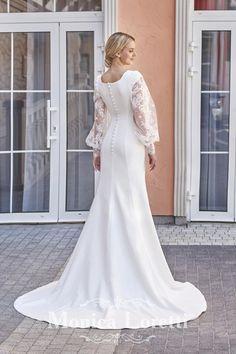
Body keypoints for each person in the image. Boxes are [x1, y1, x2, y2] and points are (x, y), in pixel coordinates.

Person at [14, 32, 207, 329]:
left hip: (111, 145)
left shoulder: (101, 80)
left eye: (134, 49)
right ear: (117, 52)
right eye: (129, 49)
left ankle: (107, 266)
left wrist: (97, 149)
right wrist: (151, 148)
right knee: (131, 203)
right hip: (130, 145)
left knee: (108, 202)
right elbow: (142, 117)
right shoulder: (134, 78)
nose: (133, 54)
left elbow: (100, 119)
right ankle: (133, 271)